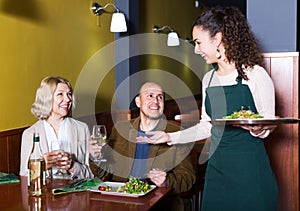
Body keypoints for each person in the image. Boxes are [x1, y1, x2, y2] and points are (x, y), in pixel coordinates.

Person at [137, 7, 278, 211]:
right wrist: (169, 138)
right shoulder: (208, 79)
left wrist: (260, 129)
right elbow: (206, 126)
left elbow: (269, 122)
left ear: (218, 39)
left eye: (199, 42)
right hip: (217, 168)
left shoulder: (255, 75)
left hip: (249, 167)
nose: (196, 49)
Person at [89, 82, 196, 211]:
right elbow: (104, 172)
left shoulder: (176, 133)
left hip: (160, 205)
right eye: (150, 96)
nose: (155, 101)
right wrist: (96, 157)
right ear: (138, 102)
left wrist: (167, 181)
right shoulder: (120, 129)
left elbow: (188, 178)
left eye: (160, 97)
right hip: (120, 203)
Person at [20, 76, 93, 179]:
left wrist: (72, 166)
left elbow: (90, 175)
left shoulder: (82, 129)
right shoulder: (29, 134)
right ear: (46, 98)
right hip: (45, 193)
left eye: (69, 94)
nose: (68, 99)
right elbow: (24, 176)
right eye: (60, 94)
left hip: (75, 194)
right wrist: (41, 166)